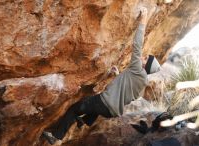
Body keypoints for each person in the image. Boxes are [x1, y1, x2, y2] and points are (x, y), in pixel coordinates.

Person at [41, 7, 161, 145]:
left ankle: (56, 136)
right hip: (111, 112)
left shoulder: (137, 69)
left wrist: (143, 21)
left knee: (74, 109)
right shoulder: (142, 82)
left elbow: (137, 45)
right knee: (93, 106)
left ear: (146, 66)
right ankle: (85, 120)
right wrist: (117, 75)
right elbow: (126, 93)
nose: (142, 58)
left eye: (145, 59)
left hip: (103, 104)